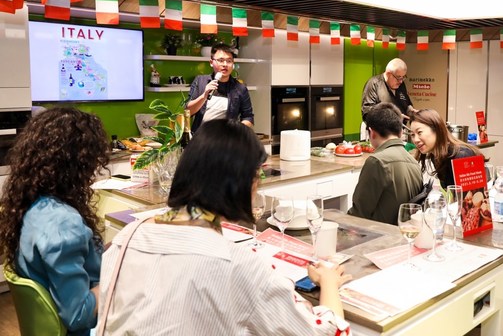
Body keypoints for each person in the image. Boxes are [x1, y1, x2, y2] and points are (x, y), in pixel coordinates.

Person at [99, 119, 352, 335]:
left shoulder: (127, 236)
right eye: (257, 176)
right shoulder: (236, 264)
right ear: (242, 182)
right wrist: (329, 283)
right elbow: (327, 331)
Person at [0, 107, 110, 336]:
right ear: (78, 165)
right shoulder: (63, 224)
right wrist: (118, 278)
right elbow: (79, 314)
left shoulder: (32, 206)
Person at [348, 103, 423, 225]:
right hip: (405, 232)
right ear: (401, 132)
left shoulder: (376, 161)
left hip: (378, 234)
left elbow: (359, 214)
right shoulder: (414, 163)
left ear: (371, 132)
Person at [186, 42, 254, 133]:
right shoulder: (200, 81)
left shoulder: (240, 88)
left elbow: (248, 117)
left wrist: (236, 130)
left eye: (229, 61)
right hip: (200, 137)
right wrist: (204, 96)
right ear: (211, 62)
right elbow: (188, 112)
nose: (225, 64)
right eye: (221, 60)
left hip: (226, 138)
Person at [410, 108, 482, 189]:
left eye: (419, 132)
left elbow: (474, 195)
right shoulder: (436, 155)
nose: (415, 140)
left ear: (436, 130)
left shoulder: (463, 155)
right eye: (412, 135)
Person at [361, 58, 417, 123]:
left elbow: (406, 103)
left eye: (403, 77)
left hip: (399, 128)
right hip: (380, 128)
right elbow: (367, 113)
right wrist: (394, 118)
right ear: (388, 74)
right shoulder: (374, 84)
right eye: (398, 77)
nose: (401, 81)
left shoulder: (401, 84)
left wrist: (411, 111)